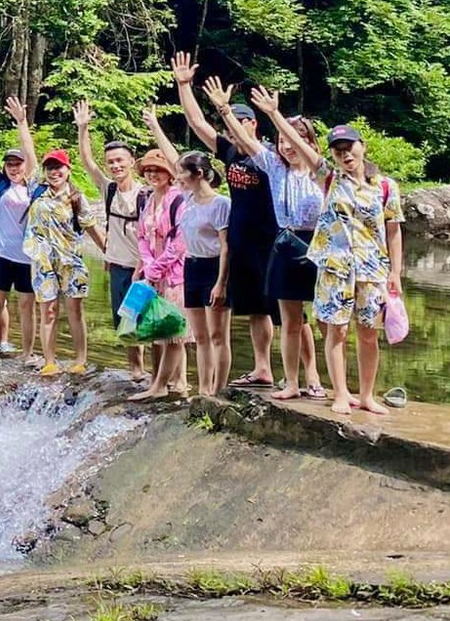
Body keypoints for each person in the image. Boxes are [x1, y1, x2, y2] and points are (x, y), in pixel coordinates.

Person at [266, 113, 404, 417]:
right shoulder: (329, 178)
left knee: (369, 333)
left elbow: (393, 230)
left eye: (348, 147)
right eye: (337, 149)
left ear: (362, 146)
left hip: (372, 270)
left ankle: (367, 395)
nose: (344, 154)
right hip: (335, 269)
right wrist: (274, 114)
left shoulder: (385, 187)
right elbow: (303, 149)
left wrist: (395, 272)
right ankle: (340, 393)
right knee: (336, 332)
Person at [203, 78, 325, 401]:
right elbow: (244, 139)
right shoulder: (274, 167)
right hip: (283, 244)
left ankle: (315, 376)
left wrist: (275, 115)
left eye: (295, 141)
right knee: (287, 316)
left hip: (314, 244)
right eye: (283, 141)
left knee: (311, 318)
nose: (287, 146)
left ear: (309, 143)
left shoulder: (320, 172)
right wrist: (224, 109)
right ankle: (290, 381)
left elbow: (308, 153)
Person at [172, 53, 278, 388]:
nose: (236, 129)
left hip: (267, 239)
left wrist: (226, 110)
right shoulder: (229, 153)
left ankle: (282, 371)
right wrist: (184, 85)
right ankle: (258, 369)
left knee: (273, 309)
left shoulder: (268, 158)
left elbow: (236, 130)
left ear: (253, 125)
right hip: (239, 241)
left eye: (243, 123)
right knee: (250, 308)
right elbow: (196, 124)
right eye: (235, 123)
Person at [146, 106, 230, 397]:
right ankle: (204, 389)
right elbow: (172, 157)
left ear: (199, 174)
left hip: (214, 269)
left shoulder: (220, 204)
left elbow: (226, 246)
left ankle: (218, 390)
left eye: (183, 173)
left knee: (219, 335)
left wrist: (221, 282)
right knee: (201, 337)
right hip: (192, 268)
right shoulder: (187, 198)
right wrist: (155, 126)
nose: (177, 177)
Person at [74, 99, 149, 382]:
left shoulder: (145, 194)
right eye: (112, 162)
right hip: (117, 265)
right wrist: (83, 129)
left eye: (120, 160)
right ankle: (136, 369)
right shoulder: (108, 190)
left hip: (143, 268)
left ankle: (160, 372)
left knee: (149, 319)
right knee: (124, 320)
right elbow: (86, 162)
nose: (115, 165)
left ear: (132, 162)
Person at [24, 147, 100, 376]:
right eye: (49, 167)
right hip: (43, 263)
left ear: (68, 169)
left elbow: (92, 229)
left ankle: (80, 360)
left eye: (58, 167)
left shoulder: (77, 198)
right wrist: (21, 122)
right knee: (48, 312)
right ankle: (49, 361)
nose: (53, 172)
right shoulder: (36, 191)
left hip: (71, 262)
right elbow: (29, 156)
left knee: (74, 310)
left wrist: (110, 253)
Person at [0, 96, 39, 366]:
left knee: (27, 306)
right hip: (0, 254)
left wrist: (22, 122)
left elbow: (30, 151)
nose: (14, 168)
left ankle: (28, 354)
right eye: (10, 164)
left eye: (19, 163)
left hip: (28, 257)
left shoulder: (34, 186)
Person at [131, 136, 189, 401]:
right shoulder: (147, 199)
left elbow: (180, 242)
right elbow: (142, 236)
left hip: (176, 277)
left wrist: (156, 269)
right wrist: (147, 265)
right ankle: (172, 383)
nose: (153, 174)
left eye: (158, 169)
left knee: (174, 333)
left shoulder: (178, 200)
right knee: (160, 330)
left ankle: (163, 385)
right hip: (154, 274)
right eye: (149, 170)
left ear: (169, 173)